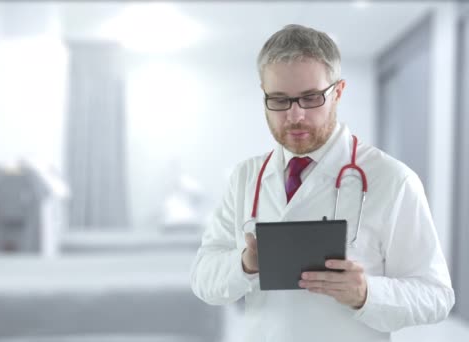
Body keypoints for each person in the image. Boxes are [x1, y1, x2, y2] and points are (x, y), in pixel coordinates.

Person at [190, 24, 455, 342]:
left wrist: (367, 293)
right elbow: (203, 278)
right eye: (279, 100)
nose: (295, 115)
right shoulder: (246, 177)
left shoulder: (393, 180)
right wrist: (244, 264)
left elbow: (437, 297)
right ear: (264, 94)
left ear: (338, 92)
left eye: (310, 98)